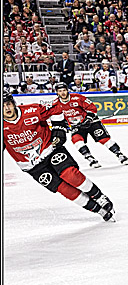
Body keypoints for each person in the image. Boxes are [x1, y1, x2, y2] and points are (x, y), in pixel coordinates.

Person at [2, 92, 114, 221]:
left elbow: (56, 109)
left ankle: (99, 196)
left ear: (13, 103)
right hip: (31, 165)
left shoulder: (31, 110)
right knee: (64, 189)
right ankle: (98, 209)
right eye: (3, 106)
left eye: (8, 104)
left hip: (51, 150)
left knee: (70, 175)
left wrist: (58, 129)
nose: (7, 108)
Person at [48, 81, 128, 168]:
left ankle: (119, 154)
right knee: (76, 140)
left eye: (64, 90)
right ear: (56, 92)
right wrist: (65, 125)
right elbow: (57, 118)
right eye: (60, 91)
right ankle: (90, 158)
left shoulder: (77, 98)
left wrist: (88, 118)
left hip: (91, 122)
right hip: (77, 126)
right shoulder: (55, 104)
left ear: (67, 90)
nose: (62, 93)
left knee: (103, 139)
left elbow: (92, 108)